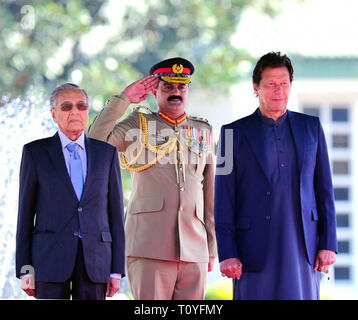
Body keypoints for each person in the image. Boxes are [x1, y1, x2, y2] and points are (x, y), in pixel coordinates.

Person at [87, 57, 217, 300]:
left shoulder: (203, 130)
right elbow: (95, 144)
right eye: (168, 87)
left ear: (188, 90)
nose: (175, 92)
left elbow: (210, 193)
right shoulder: (138, 122)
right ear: (154, 92)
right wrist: (123, 100)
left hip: (194, 248)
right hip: (149, 246)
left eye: (181, 87)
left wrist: (211, 246)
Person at [214, 52, 338, 300]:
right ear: (255, 87)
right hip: (252, 250)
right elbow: (223, 198)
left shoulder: (312, 128)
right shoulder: (230, 134)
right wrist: (227, 251)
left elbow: (325, 190)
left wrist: (328, 243)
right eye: (271, 84)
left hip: (303, 247)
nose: (278, 90)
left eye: (284, 84)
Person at [15, 83, 125, 299]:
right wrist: (25, 267)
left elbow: (116, 215)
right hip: (49, 260)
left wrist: (116, 269)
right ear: (54, 114)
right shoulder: (34, 153)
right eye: (66, 107)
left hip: (95, 261)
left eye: (81, 106)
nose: (75, 111)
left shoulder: (107, 154)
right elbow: (25, 215)